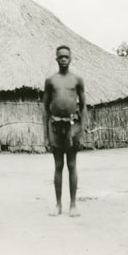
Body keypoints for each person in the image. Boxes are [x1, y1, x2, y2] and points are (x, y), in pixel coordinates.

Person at [42, 45, 89, 217]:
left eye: (66, 57)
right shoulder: (50, 81)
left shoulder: (77, 80)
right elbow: (45, 108)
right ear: (56, 59)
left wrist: (81, 131)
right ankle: (58, 204)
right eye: (60, 56)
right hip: (55, 126)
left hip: (72, 127)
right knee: (58, 166)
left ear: (70, 59)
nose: (63, 59)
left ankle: (74, 204)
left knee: (71, 165)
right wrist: (46, 135)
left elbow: (83, 107)